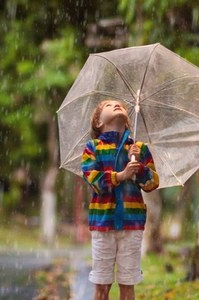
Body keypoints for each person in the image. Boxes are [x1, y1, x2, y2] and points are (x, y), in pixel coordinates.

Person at [81, 99, 159, 300]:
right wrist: (121, 175)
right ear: (98, 122)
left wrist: (139, 166)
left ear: (128, 121)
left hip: (131, 225)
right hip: (102, 224)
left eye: (122, 106)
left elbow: (152, 183)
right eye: (109, 105)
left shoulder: (139, 149)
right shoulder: (93, 147)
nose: (118, 106)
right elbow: (93, 179)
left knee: (127, 284)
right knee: (102, 285)